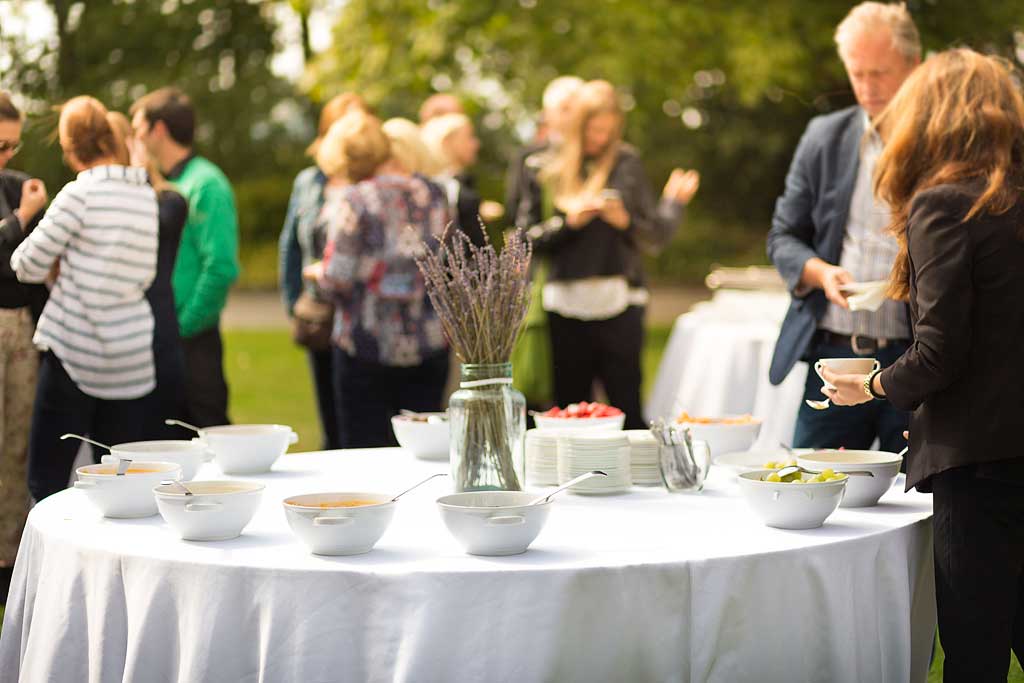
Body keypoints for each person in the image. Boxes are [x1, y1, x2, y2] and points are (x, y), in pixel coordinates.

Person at [820, 48, 1024, 681]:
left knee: (974, 655)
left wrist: (872, 384)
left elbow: (940, 353)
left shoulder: (944, 205)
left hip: (983, 468)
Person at [766, 1, 921, 453]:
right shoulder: (823, 137)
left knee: (919, 504)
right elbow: (782, 236)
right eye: (858, 74)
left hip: (914, 357)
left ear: (914, 65)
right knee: (813, 489)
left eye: (880, 73)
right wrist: (819, 272)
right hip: (835, 356)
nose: (868, 87)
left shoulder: (939, 143)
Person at [526, 80, 699, 429]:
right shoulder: (544, 164)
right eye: (592, 131)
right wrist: (569, 222)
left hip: (620, 302)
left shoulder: (626, 162)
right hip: (565, 304)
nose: (599, 140)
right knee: (571, 411)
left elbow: (655, 236)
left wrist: (625, 221)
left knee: (627, 410)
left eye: (607, 131)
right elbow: (525, 239)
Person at [11, 96, 159, 502]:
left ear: (70, 149)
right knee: (123, 486)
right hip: (130, 359)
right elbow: (145, 272)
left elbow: (25, 263)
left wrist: (60, 267)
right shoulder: (145, 195)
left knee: (49, 482)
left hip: (74, 353)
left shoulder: (79, 195)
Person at [309, 111, 450, 447]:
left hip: (366, 343)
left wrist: (317, 274)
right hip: (427, 342)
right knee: (422, 453)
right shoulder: (434, 193)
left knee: (364, 456)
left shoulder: (356, 199)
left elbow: (337, 279)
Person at [131, 87, 239, 427]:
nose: (134, 137)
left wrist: (182, 328)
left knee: (208, 439)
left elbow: (220, 267)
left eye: (137, 128)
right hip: (166, 336)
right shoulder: (164, 183)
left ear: (158, 130)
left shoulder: (205, 183)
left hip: (193, 341)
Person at [278, 92, 368, 451]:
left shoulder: (370, 183)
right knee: (330, 418)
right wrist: (293, 304)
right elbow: (290, 244)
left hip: (364, 316)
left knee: (361, 423)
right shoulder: (308, 181)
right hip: (319, 311)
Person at [108, 111, 189, 439]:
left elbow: (157, 223)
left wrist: (138, 179)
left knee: (162, 435)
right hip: (111, 339)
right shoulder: (93, 201)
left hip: (157, 335)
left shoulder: (169, 200)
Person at [0, 91, 48, 604]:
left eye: (13, 145)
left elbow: (31, 261)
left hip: (20, 328)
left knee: (17, 445)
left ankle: (10, 559)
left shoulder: (15, 184)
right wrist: (20, 221)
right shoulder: (20, 198)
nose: (8, 156)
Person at [506, 75, 584, 230]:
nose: (573, 116)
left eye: (579, 109)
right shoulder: (529, 158)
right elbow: (516, 213)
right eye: (565, 108)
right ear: (548, 113)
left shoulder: (598, 155)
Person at [421, 113, 499, 246]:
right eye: (469, 137)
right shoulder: (438, 187)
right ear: (447, 141)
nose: (476, 144)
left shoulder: (459, 182)